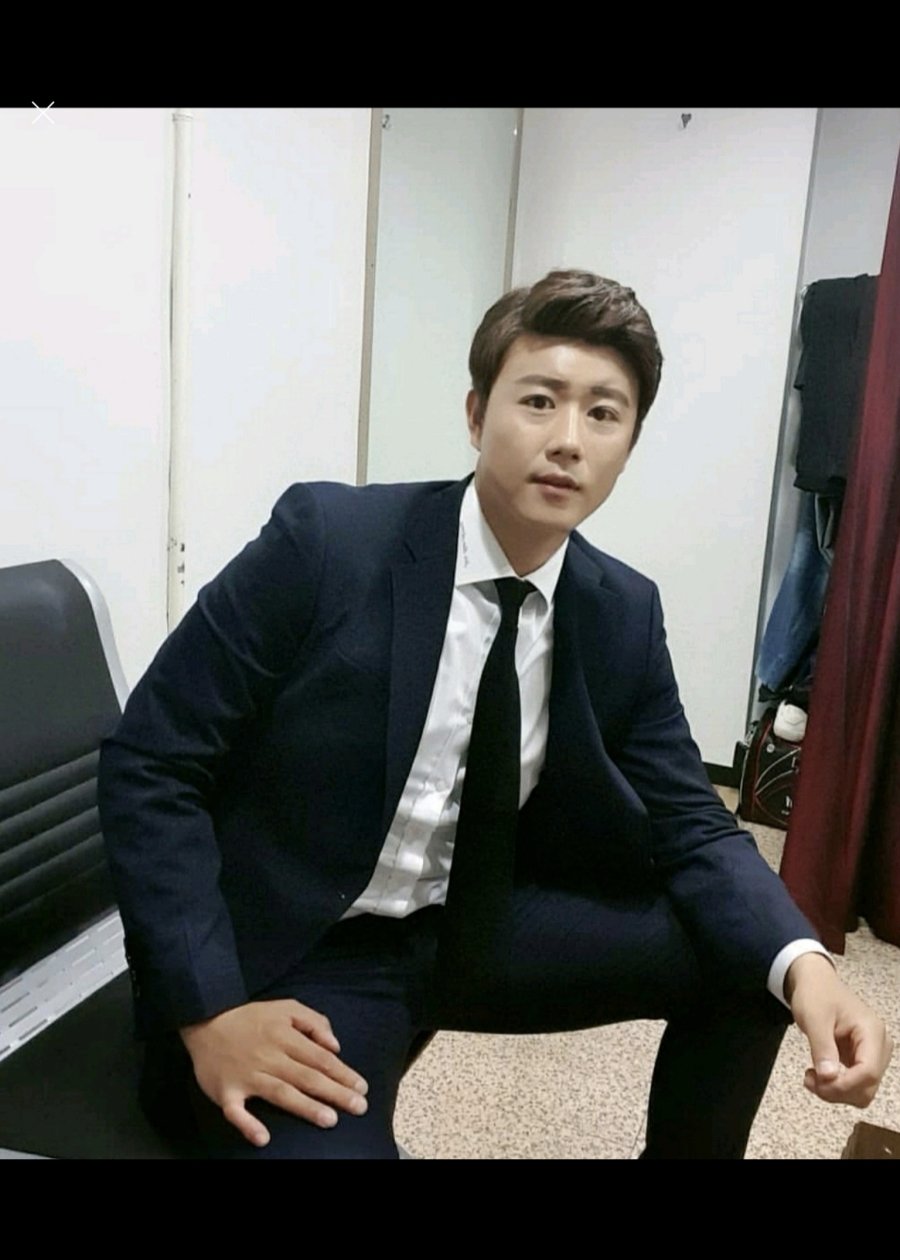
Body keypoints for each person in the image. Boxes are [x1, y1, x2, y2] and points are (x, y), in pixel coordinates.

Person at [98, 270, 892, 1159]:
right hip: (310, 948)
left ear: (629, 445)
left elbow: (692, 823)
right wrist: (209, 1009)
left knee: (752, 964)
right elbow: (152, 762)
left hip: (472, 923)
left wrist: (806, 964)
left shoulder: (620, 609)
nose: (568, 440)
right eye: (539, 401)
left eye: (603, 414)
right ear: (477, 416)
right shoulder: (328, 541)